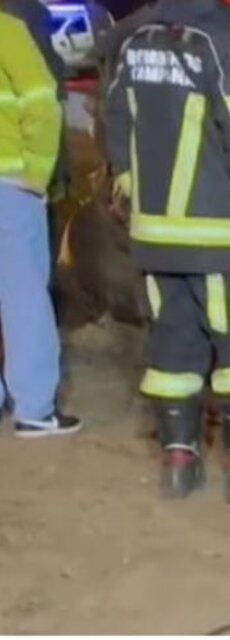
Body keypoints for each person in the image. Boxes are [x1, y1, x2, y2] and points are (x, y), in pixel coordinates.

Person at [104, 0, 230, 504]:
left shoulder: (130, 43)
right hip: (220, 237)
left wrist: (138, 195)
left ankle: (178, 466)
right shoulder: (224, 45)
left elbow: (116, 129)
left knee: (172, 348)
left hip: (153, 237)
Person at [0, 5, 80, 437]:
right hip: (9, 184)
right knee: (24, 294)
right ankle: (33, 407)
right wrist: (36, 172)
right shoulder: (8, 31)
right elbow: (42, 101)